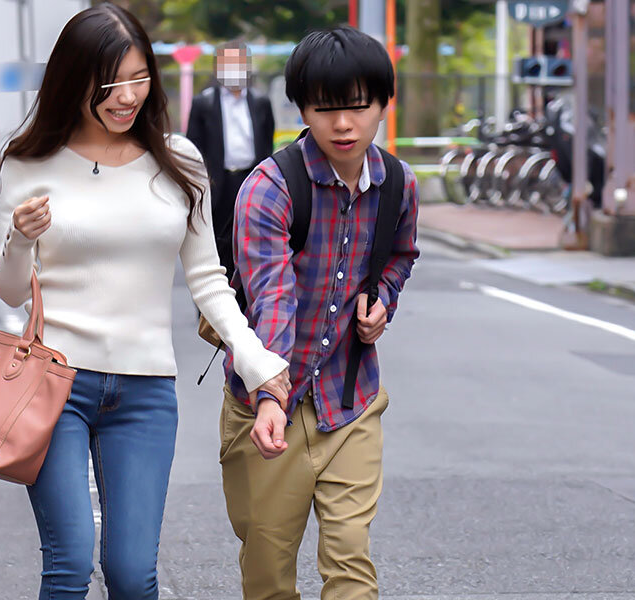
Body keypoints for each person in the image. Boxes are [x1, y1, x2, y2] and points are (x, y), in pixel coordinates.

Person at [0, 5, 290, 599]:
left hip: (145, 390)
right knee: (70, 564)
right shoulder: (27, 163)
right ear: (73, 80)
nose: (127, 96)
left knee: (131, 574)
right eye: (110, 83)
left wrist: (257, 362)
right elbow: (10, 292)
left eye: (139, 78)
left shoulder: (179, 161)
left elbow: (208, 279)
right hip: (54, 383)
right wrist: (20, 239)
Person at [218, 26, 420, 600]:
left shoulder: (398, 184)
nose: (344, 124)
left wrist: (383, 301)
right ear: (303, 110)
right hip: (267, 407)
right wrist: (270, 395)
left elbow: (401, 256)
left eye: (359, 106)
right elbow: (272, 296)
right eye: (325, 109)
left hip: (351, 399)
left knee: (350, 557)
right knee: (268, 570)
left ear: (383, 102)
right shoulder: (270, 187)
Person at [186, 41, 275, 279]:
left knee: (253, 242)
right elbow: (193, 148)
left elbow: (267, 144)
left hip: (251, 181)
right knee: (216, 248)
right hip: (218, 185)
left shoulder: (260, 102)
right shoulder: (204, 103)